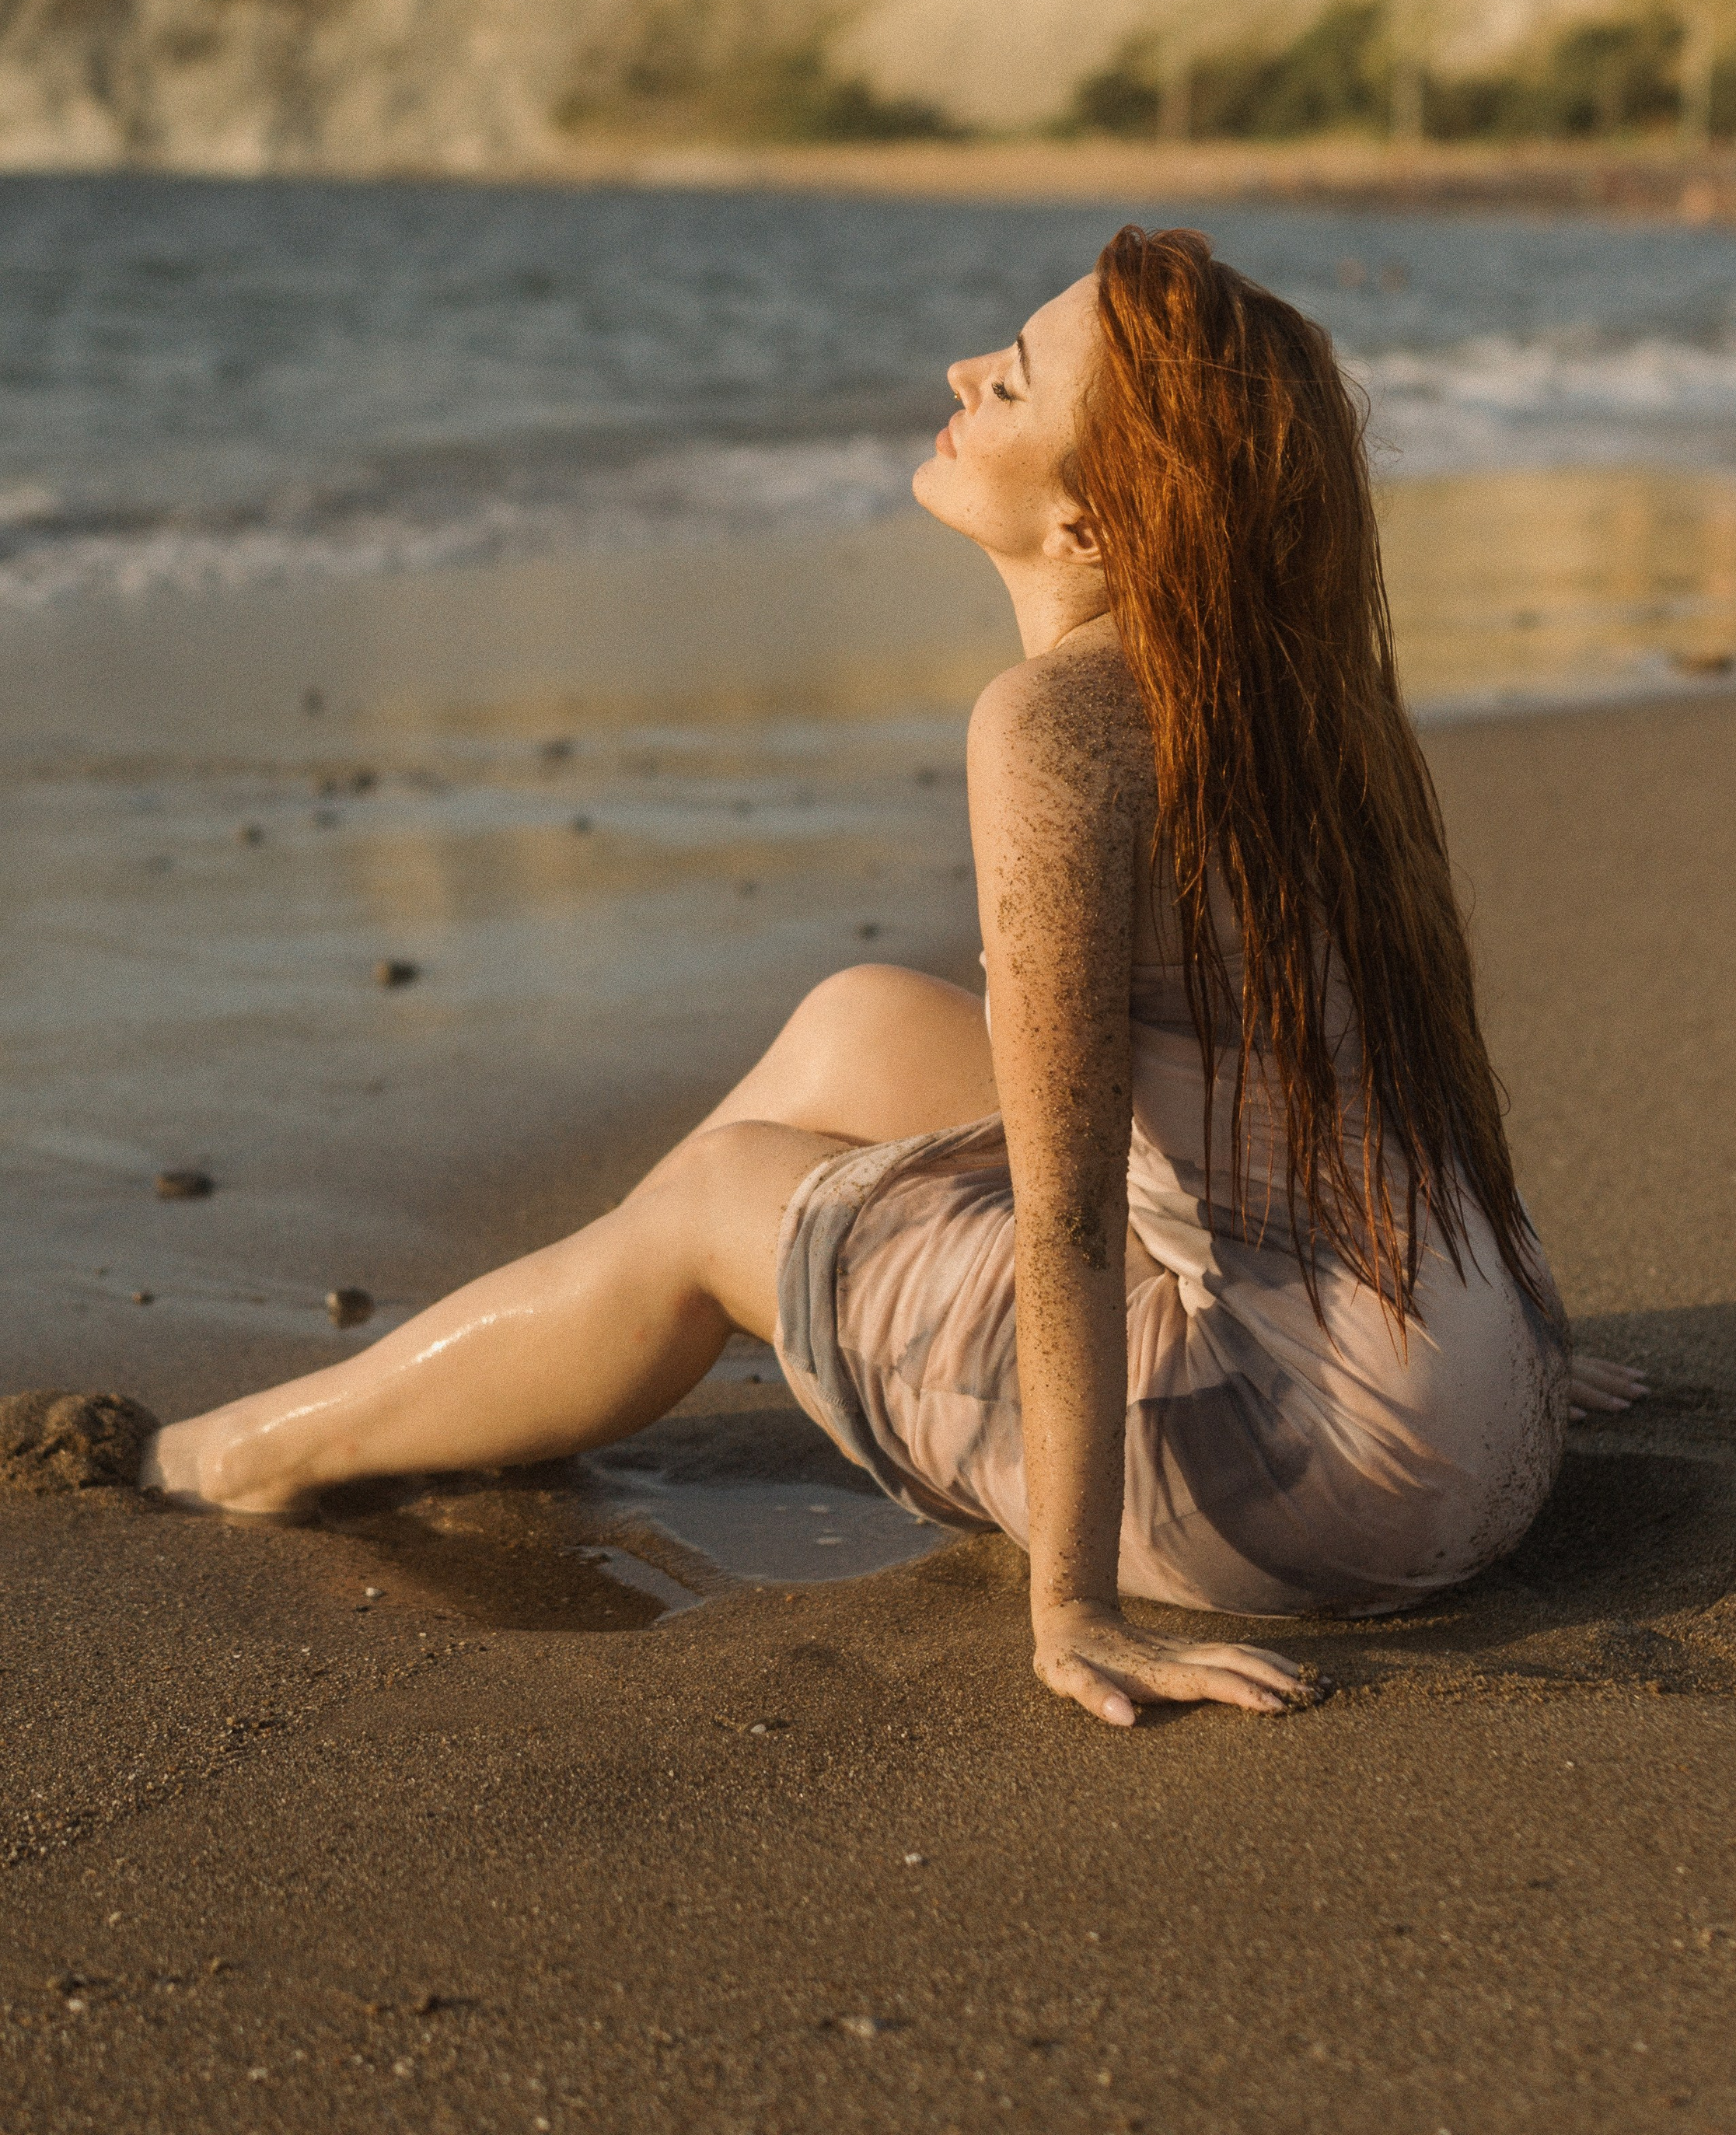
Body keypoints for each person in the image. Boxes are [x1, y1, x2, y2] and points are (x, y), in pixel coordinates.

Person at [148, 225, 1643, 1728]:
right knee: (856, 1025)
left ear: (1094, 528)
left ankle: (243, 1453)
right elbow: (1395, 1070)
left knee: (718, 1196)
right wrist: (1489, 1346)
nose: (958, 375)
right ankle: (555, 1339)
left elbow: (1062, 1215)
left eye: (1010, 384)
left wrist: (1075, 1608)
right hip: (1475, 1379)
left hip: (1313, 1485)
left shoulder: (1061, 728)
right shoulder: (1296, 680)